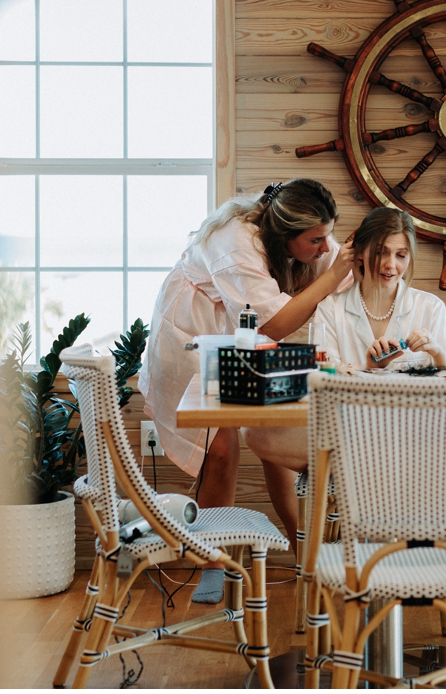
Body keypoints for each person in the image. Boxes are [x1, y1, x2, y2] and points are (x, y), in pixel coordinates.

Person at [139, 178, 354, 603]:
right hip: (193, 331)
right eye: (316, 239)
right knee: (220, 446)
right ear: (286, 233)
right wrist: (333, 275)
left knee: (271, 432)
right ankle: (211, 561)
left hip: (236, 335)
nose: (325, 247)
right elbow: (274, 323)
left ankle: (305, 554)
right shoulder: (236, 240)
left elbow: (321, 286)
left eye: (329, 234)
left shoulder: (276, 231)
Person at [243, 207, 446, 474]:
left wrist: (438, 352)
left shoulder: (430, 307)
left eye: (400, 255)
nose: (390, 265)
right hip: (350, 432)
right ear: (359, 251)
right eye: (381, 252)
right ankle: (367, 480)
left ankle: (356, 480)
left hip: (417, 436)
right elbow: (324, 386)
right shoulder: (331, 308)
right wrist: (369, 368)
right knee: (256, 433)